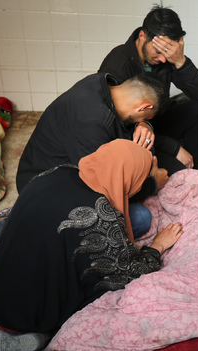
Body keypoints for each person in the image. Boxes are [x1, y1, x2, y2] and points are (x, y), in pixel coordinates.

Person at [0, 140, 184, 351]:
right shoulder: (100, 215)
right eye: (140, 178)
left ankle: (1, 320)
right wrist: (158, 246)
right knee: (102, 285)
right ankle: (41, 334)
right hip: (31, 312)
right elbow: (131, 271)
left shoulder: (55, 172)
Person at [16, 72, 168, 238]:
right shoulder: (92, 124)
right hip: (44, 193)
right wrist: (152, 183)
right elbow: (106, 187)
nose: (143, 120)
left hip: (70, 160)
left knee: (145, 142)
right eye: (146, 116)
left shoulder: (103, 82)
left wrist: (144, 124)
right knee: (141, 218)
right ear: (143, 107)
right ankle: (31, 225)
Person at [98, 5, 198, 174]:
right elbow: (117, 130)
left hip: (157, 121)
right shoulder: (117, 66)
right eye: (158, 51)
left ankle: (195, 171)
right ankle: (185, 170)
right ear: (143, 36)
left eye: (168, 52)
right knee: (179, 172)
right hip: (135, 135)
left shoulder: (166, 58)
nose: (163, 58)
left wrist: (180, 61)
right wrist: (174, 148)